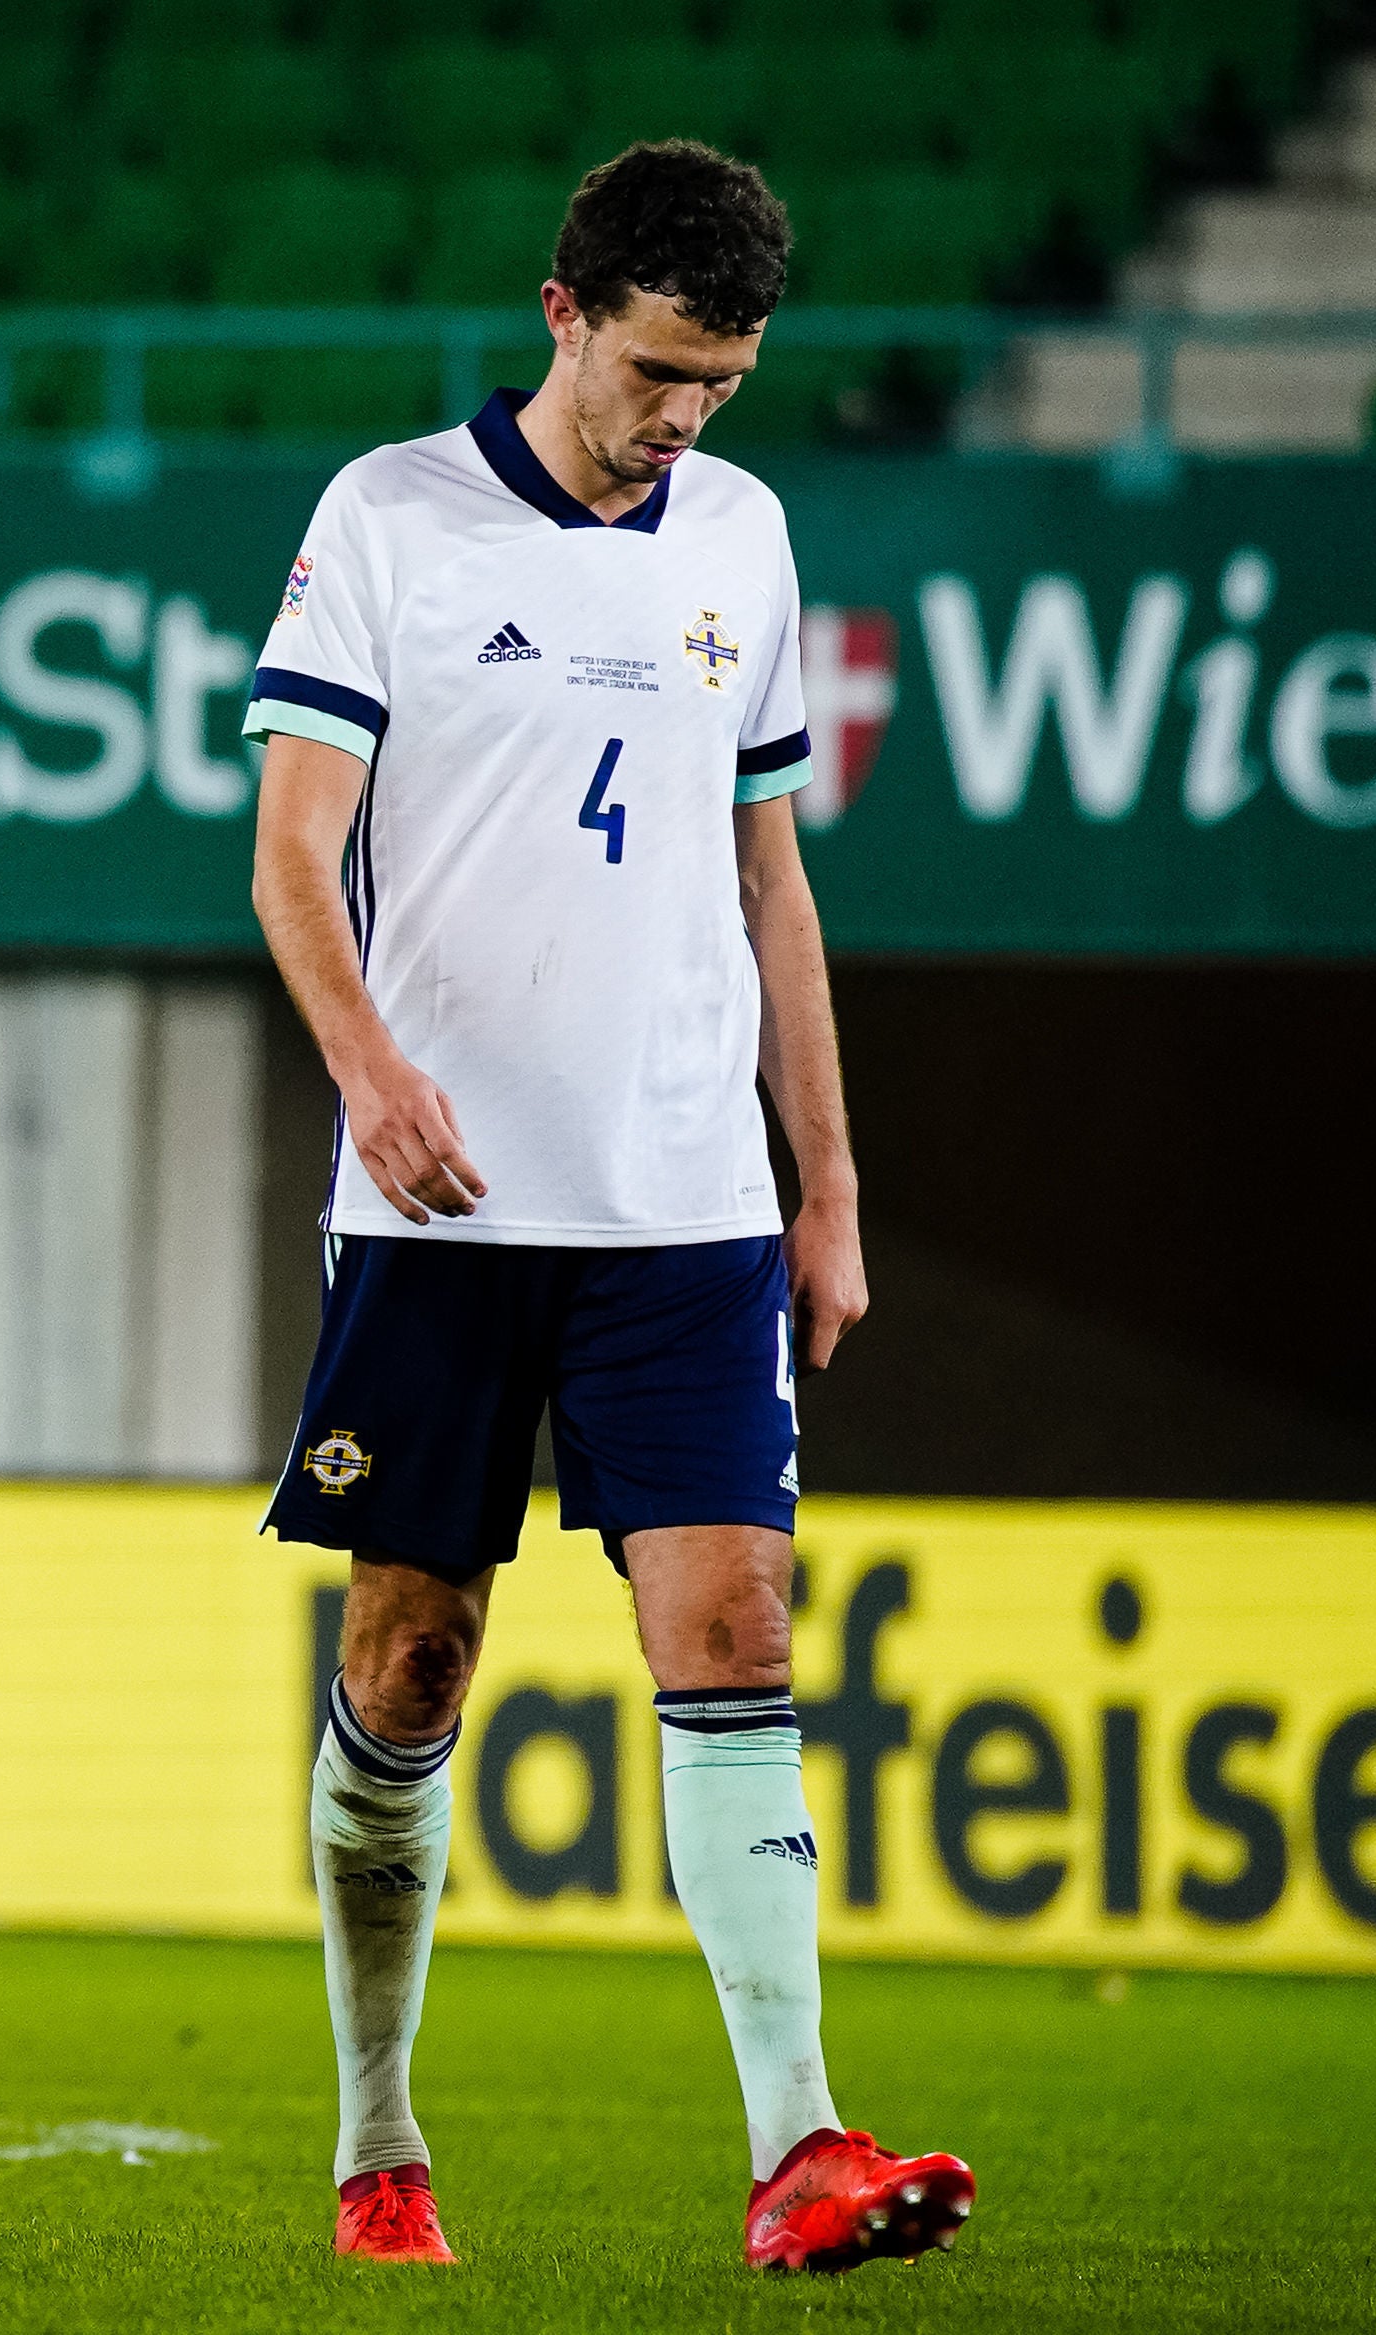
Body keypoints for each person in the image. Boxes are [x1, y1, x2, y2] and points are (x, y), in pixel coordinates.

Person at [243, 142, 972, 2275]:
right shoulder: (387, 521)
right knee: (412, 1651)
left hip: (683, 1207)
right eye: (659, 370)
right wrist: (372, 1074)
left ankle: (798, 2146)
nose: (684, 417)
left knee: (733, 1625)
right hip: (442, 1216)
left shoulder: (739, 536)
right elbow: (292, 859)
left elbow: (771, 885)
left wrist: (825, 1182)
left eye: (721, 385)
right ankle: (381, 2132)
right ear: (562, 312)